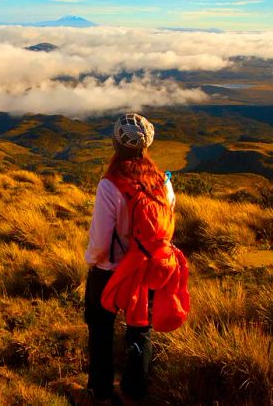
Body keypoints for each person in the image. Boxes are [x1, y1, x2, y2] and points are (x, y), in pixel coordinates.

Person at [83, 113, 177, 406]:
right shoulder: (163, 182)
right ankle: (133, 393)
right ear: (147, 145)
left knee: (100, 327)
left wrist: (92, 262)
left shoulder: (109, 186)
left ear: (116, 144)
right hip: (147, 268)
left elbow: (99, 243)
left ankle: (100, 393)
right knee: (140, 330)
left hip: (110, 271)